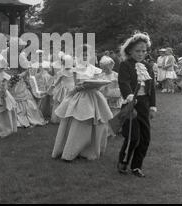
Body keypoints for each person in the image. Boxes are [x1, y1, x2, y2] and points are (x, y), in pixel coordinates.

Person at [52, 44, 113, 161]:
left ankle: (89, 149)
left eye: (87, 54)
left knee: (95, 123)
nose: (85, 56)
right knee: (77, 122)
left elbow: (98, 86)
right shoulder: (75, 69)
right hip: (80, 96)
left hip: (94, 97)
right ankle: (73, 149)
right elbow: (76, 85)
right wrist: (80, 88)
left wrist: (95, 85)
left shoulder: (95, 70)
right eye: (82, 54)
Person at [117, 32, 156, 178]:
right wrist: (129, 96)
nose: (141, 54)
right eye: (137, 51)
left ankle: (136, 166)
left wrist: (153, 106)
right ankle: (123, 161)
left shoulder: (148, 66)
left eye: (144, 51)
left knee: (145, 137)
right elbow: (123, 82)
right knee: (133, 137)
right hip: (131, 104)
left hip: (144, 105)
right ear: (130, 51)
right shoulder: (125, 65)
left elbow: (151, 89)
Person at [98, 55, 123, 136]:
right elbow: (99, 88)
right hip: (105, 96)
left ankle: (116, 129)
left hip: (116, 96)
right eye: (104, 67)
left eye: (108, 66)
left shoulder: (116, 75)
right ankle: (108, 131)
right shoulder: (101, 76)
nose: (106, 69)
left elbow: (120, 86)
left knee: (115, 113)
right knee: (107, 113)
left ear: (112, 66)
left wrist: (118, 95)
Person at [51, 54, 75, 124]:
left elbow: (76, 80)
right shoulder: (62, 71)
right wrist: (54, 85)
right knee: (62, 103)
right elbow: (58, 81)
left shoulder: (72, 71)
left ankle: (68, 117)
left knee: (68, 103)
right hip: (65, 88)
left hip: (71, 88)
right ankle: (60, 118)